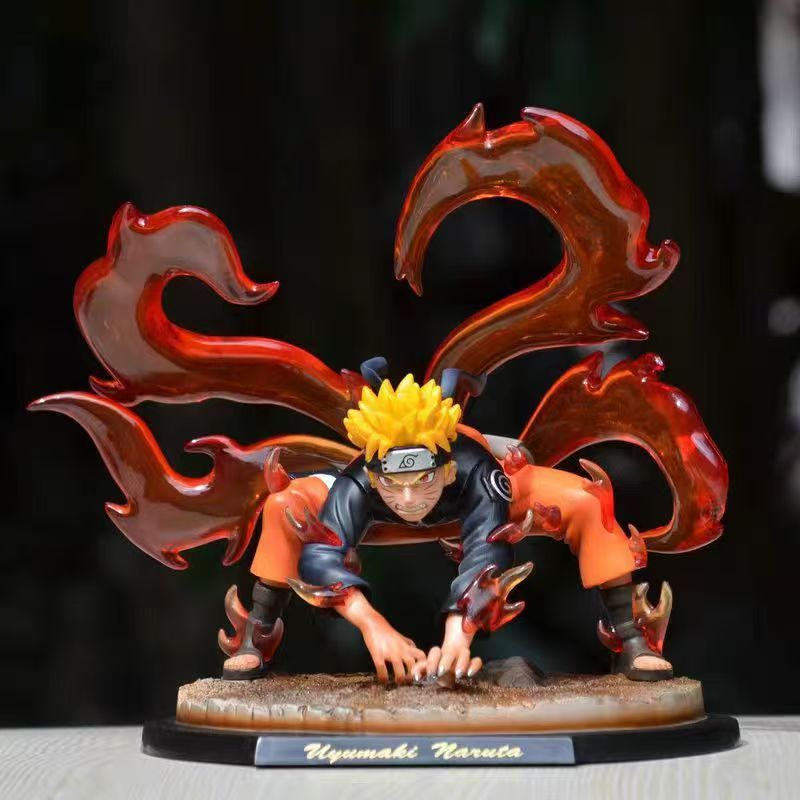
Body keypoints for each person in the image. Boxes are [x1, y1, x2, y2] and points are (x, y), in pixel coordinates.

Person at [222, 368, 673, 684]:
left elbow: (487, 545)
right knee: (283, 506)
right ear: (374, 477)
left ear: (447, 468)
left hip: (481, 502)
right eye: (394, 485)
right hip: (374, 519)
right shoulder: (357, 482)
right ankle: (255, 634)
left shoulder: (476, 469)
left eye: (421, 481)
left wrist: (459, 633)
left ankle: (631, 635)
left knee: (587, 501)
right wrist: (372, 624)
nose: (409, 500)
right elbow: (323, 552)